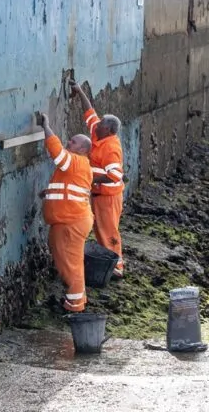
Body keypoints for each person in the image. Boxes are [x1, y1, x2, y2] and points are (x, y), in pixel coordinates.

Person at [37, 113, 94, 312]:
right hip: (71, 221)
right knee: (70, 262)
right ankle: (76, 301)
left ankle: (75, 306)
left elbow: (57, 153)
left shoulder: (76, 161)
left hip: (71, 222)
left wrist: (47, 126)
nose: (69, 142)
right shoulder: (80, 165)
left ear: (83, 150)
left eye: (73, 142)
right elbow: (70, 188)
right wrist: (49, 192)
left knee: (70, 265)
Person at [69, 79, 126, 279]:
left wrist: (90, 177)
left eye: (101, 123)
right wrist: (79, 91)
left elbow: (114, 176)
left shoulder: (111, 148)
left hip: (108, 197)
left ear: (108, 130)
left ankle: (116, 266)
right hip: (97, 193)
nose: (97, 124)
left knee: (108, 231)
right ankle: (110, 263)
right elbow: (89, 113)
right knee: (99, 229)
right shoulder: (98, 134)